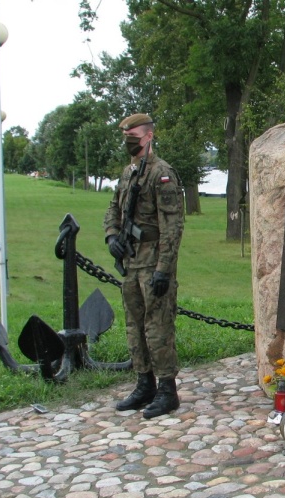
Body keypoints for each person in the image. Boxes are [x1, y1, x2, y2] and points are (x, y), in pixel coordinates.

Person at [104, 113, 185, 419]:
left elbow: (173, 225)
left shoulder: (162, 174)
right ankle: (144, 384)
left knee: (158, 327)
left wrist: (164, 268)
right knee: (134, 325)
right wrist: (113, 236)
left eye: (133, 134)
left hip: (153, 260)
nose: (129, 140)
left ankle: (167, 390)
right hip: (131, 261)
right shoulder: (128, 173)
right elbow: (112, 208)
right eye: (125, 135)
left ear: (149, 136)